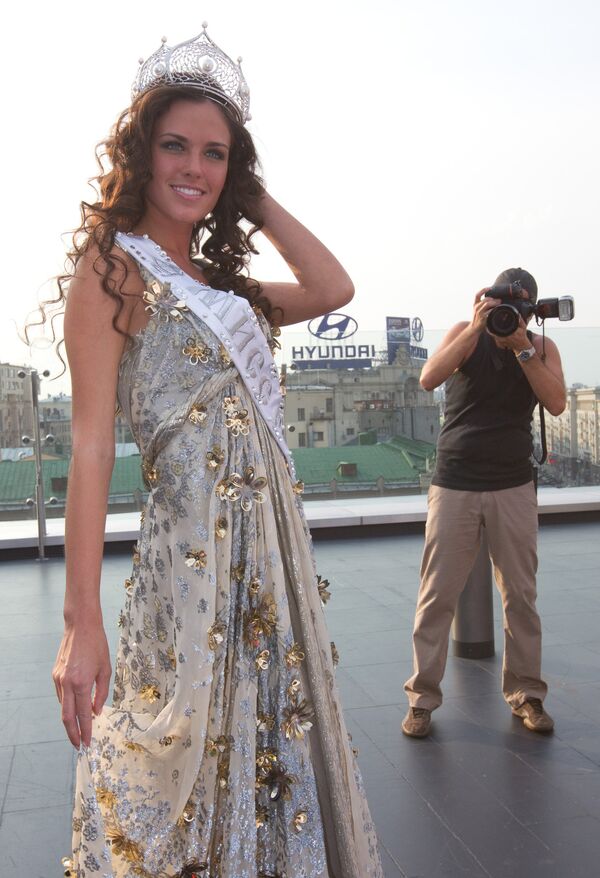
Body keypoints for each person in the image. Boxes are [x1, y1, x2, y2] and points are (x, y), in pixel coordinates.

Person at [50, 25, 383, 878]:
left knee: (267, 754)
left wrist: (253, 194)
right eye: (175, 147)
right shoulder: (112, 269)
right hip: (188, 564)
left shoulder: (224, 289)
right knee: (172, 759)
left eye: (214, 154)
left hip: (267, 562)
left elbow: (332, 288)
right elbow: (90, 448)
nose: (193, 168)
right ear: (139, 152)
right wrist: (81, 621)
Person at [402, 268, 567, 739]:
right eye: (500, 308)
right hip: (455, 480)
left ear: (531, 311)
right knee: (436, 596)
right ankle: (421, 700)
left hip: (513, 482)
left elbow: (555, 402)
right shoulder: (466, 335)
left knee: (521, 596)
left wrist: (522, 348)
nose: (507, 318)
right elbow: (429, 377)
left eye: (517, 310)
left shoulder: (540, 348)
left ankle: (527, 695)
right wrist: (476, 327)